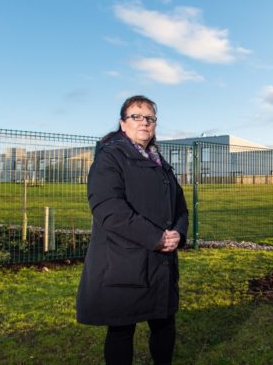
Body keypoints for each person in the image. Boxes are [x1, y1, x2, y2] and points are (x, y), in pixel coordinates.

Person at [76, 95, 188, 365]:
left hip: (160, 262)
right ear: (122, 124)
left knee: (163, 324)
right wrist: (155, 237)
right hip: (125, 261)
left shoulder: (160, 162)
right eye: (136, 116)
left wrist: (178, 234)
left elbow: (181, 207)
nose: (144, 122)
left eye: (149, 118)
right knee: (121, 329)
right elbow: (108, 208)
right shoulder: (111, 158)